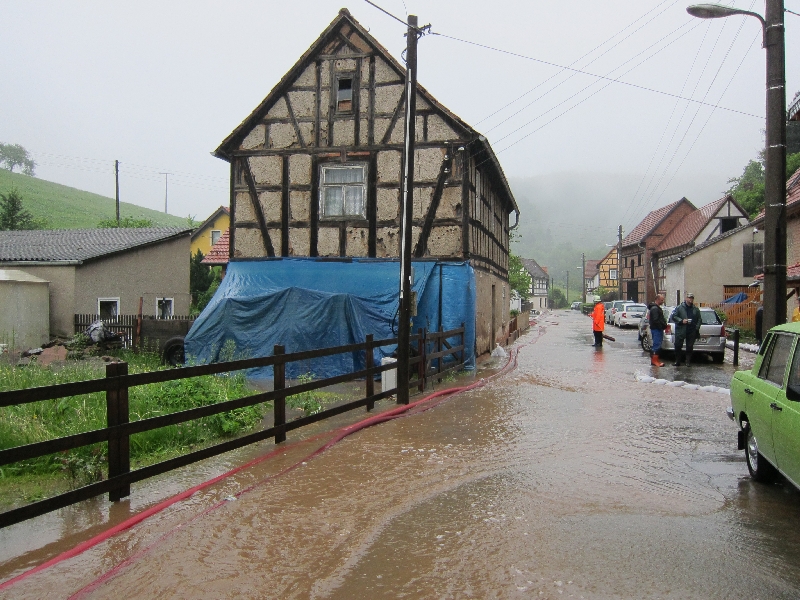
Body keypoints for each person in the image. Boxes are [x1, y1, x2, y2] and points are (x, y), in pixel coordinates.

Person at [671, 292, 701, 367]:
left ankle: (688, 361)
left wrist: (697, 327)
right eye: (689, 298)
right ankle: (677, 361)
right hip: (681, 329)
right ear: (686, 298)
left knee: (690, 347)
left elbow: (699, 319)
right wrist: (681, 321)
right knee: (678, 345)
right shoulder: (679, 307)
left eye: (692, 298)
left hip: (691, 330)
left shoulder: (695, 309)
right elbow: (674, 316)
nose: (690, 299)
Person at [648, 294, 667, 367]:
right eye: (662, 300)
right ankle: (654, 361)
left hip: (657, 328)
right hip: (656, 329)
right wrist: (661, 326)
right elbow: (656, 320)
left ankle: (655, 360)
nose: (663, 301)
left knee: (657, 344)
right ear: (657, 299)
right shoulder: (655, 309)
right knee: (656, 345)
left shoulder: (655, 308)